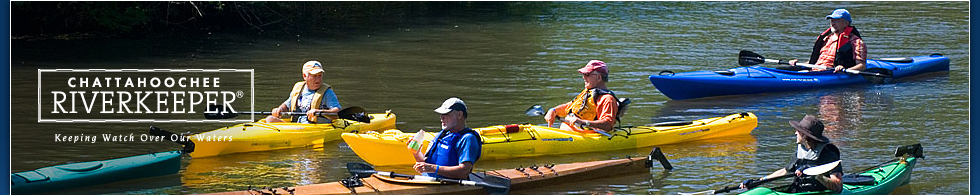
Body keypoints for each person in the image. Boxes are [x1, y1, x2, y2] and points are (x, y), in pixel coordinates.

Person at [742, 115, 843, 193]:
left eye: (798, 131)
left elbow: (838, 187)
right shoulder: (800, 152)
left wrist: (816, 175)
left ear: (806, 136)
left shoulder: (829, 155)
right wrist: (758, 181)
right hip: (798, 191)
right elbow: (784, 171)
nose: (795, 133)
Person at [412, 97, 482, 179]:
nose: (441, 118)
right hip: (427, 180)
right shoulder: (442, 135)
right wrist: (416, 153)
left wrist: (433, 168)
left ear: (459, 115)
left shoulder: (467, 139)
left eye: (446, 114)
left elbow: (464, 172)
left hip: (448, 186)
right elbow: (426, 165)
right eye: (441, 114)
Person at [543, 60, 620, 133]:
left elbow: (608, 125)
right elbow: (569, 107)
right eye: (583, 74)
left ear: (599, 77)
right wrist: (553, 111)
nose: (583, 77)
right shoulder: (587, 93)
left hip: (586, 137)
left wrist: (582, 122)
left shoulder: (607, 99)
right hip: (570, 133)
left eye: (587, 74)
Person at [789, 8, 867, 73]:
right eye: (832, 20)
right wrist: (799, 64)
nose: (833, 23)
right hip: (815, 71)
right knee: (782, 68)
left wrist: (845, 70)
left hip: (830, 73)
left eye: (836, 20)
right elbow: (817, 61)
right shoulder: (826, 39)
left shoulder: (856, 42)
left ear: (846, 23)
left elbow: (862, 66)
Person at [265, 60, 342, 123]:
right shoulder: (298, 89)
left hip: (316, 127)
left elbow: (336, 112)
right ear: (305, 76)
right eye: (314, 76)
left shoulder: (327, 93)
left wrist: (319, 111)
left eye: (320, 75)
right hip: (298, 126)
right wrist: (279, 109)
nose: (318, 79)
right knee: (270, 119)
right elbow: (287, 105)